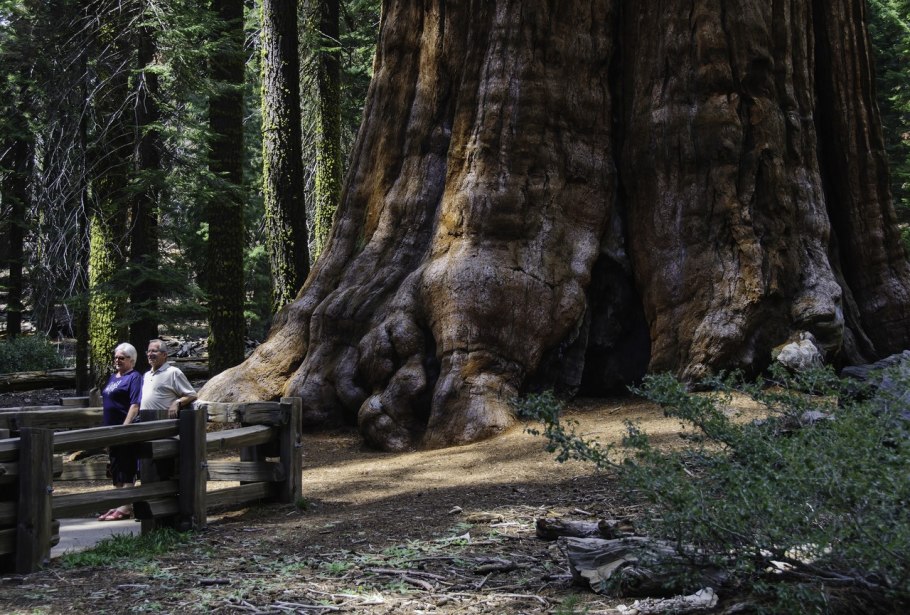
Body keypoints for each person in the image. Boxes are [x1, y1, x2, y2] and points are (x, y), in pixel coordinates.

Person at [98, 342, 142, 521]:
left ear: (131, 360)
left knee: (126, 466)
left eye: (121, 358)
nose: (117, 360)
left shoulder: (134, 377)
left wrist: (125, 427)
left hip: (124, 429)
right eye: (116, 357)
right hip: (111, 428)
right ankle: (117, 504)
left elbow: (135, 404)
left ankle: (125, 507)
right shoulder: (113, 377)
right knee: (115, 466)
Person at [141, 339, 197, 418]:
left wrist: (177, 402)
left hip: (163, 421)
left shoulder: (173, 372)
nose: (150, 354)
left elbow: (192, 394)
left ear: (164, 355)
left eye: (154, 351)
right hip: (145, 421)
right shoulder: (147, 375)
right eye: (148, 351)